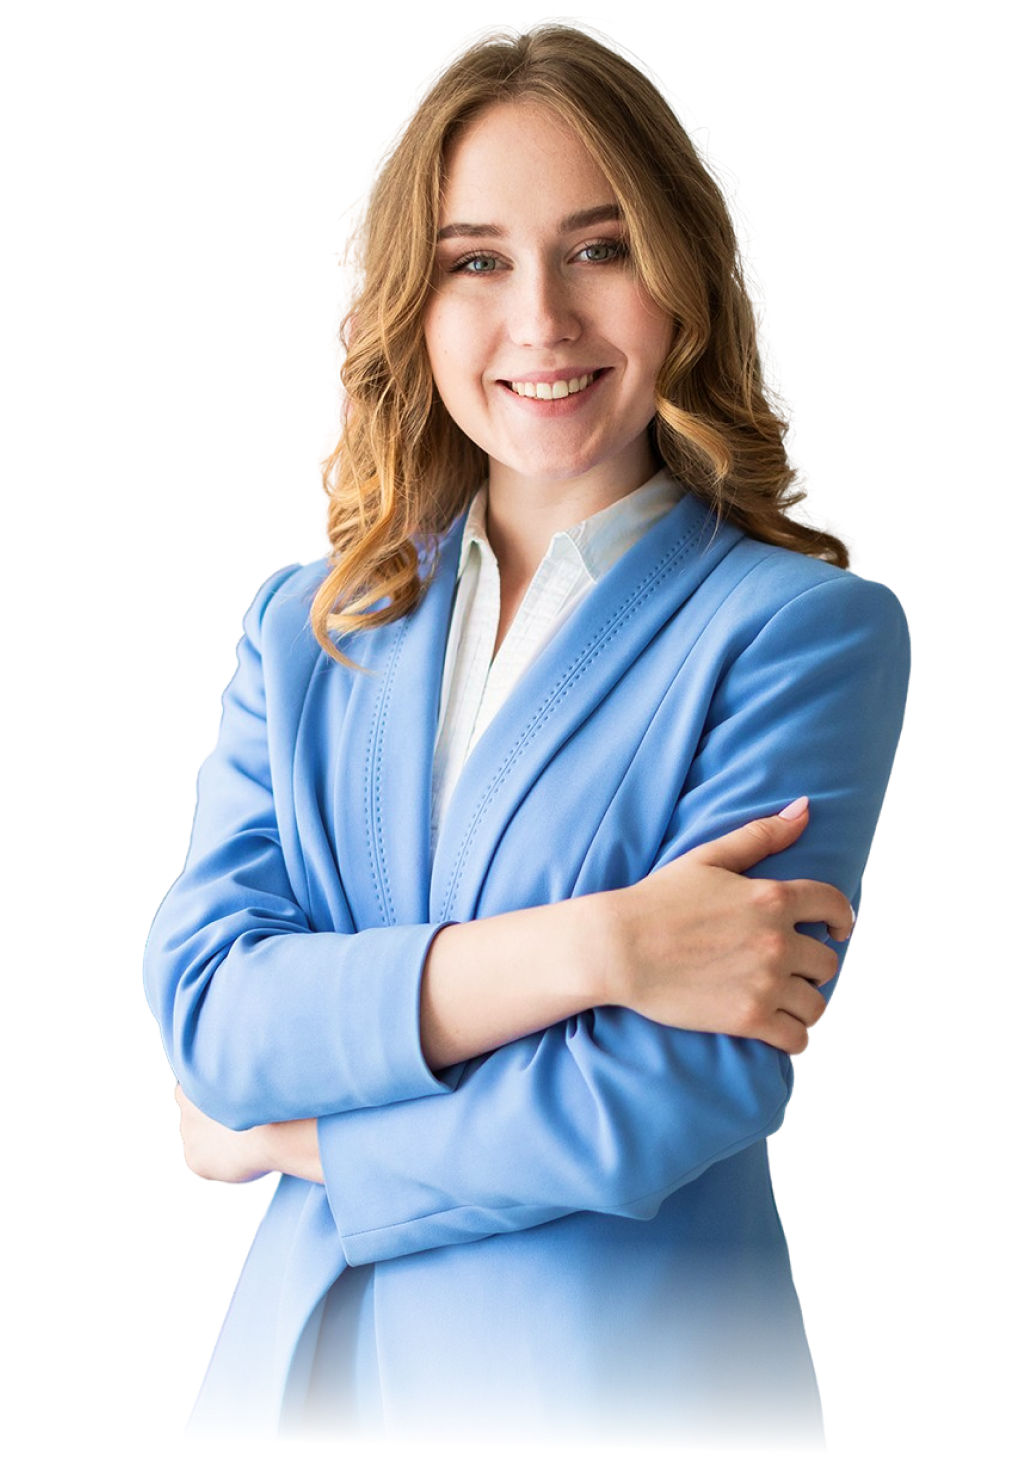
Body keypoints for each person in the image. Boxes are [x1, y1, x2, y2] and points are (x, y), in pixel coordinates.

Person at [141, 16, 911, 1447]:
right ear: (412, 304)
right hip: (293, 1384)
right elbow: (203, 1020)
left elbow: (669, 1090)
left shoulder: (798, 631)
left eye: (599, 248)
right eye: (477, 261)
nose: (542, 320)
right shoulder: (307, 628)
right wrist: (602, 947)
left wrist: (301, 1140)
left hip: (607, 1395)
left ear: (682, 280)